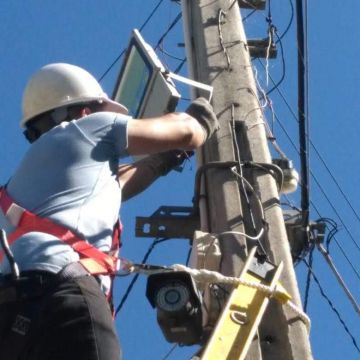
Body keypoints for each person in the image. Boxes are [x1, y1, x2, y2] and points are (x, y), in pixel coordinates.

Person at [0, 63, 219, 360]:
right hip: (60, 293)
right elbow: (186, 131)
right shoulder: (90, 127)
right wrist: (202, 117)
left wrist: (160, 162)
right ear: (86, 111)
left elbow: (114, 186)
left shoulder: (21, 188)